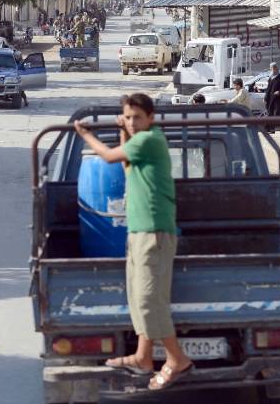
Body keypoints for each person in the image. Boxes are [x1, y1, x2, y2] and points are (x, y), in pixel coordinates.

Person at [73, 94, 193, 390]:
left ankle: (177, 359)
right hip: (139, 232)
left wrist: (86, 134)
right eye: (127, 117)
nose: (132, 122)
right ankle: (143, 357)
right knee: (138, 297)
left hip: (153, 231)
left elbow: (112, 157)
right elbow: (126, 165)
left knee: (149, 301)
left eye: (137, 117)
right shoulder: (139, 143)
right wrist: (123, 131)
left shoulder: (150, 139)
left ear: (151, 118)